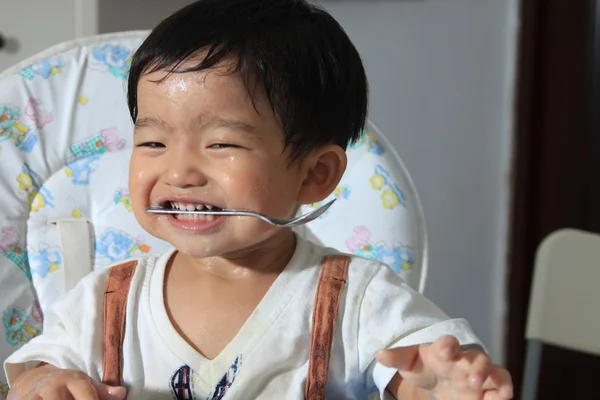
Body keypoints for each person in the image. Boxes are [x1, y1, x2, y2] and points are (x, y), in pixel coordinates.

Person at [4, 0, 513, 399]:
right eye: (153, 143)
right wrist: (40, 383)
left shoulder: (357, 300)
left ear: (315, 174)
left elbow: (415, 373)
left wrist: (438, 388)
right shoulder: (105, 301)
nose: (179, 171)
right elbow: (35, 372)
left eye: (221, 144)